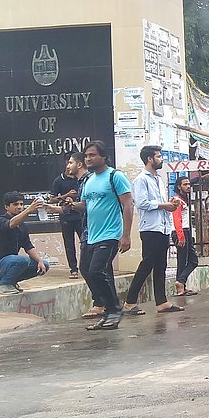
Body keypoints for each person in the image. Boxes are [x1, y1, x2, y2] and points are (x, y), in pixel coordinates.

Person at [76, 140, 133, 330]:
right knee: (86, 269)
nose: (88, 159)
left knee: (97, 270)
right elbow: (85, 205)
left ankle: (114, 309)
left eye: (92, 155)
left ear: (103, 156)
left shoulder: (115, 176)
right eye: (86, 156)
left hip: (110, 234)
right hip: (91, 235)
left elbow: (127, 205)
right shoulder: (88, 181)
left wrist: (125, 236)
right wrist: (69, 205)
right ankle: (109, 313)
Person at [122, 146, 185, 316]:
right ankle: (129, 302)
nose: (161, 159)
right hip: (150, 228)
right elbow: (142, 203)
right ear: (150, 159)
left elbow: (159, 202)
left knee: (160, 265)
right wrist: (165, 205)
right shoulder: (141, 180)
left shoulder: (158, 179)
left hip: (163, 227)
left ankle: (161, 302)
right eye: (158, 156)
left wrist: (170, 203)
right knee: (147, 264)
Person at [0, 191, 50, 295]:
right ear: (7, 207)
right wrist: (29, 210)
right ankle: (3, 284)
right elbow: (10, 224)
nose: (19, 207)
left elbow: (28, 246)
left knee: (44, 265)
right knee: (22, 260)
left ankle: (11, 282)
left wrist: (40, 261)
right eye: (15, 204)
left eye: (21, 204)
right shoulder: (0, 221)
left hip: (13, 262)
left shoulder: (22, 226)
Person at [48, 152, 87, 279]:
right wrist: (66, 196)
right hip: (66, 217)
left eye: (72, 162)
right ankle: (73, 269)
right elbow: (52, 200)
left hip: (80, 216)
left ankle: (85, 267)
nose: (70, 165)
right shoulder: (59, 180)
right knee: (69, 244)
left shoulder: (82, 179)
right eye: (69, 162)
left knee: (85, 242)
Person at [172, 176, 200, 296]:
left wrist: (201, 177)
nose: (188, 186)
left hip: (184, 231)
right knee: (193, 261)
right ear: (179, 187)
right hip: (181, 231)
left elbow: (194, 180)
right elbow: (176, 218)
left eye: (189, 184)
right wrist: (181, 236)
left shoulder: (184, 198)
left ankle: (181, 287)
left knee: (182, 261)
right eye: (185, 184)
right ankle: (181, 281)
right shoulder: (177, 200)